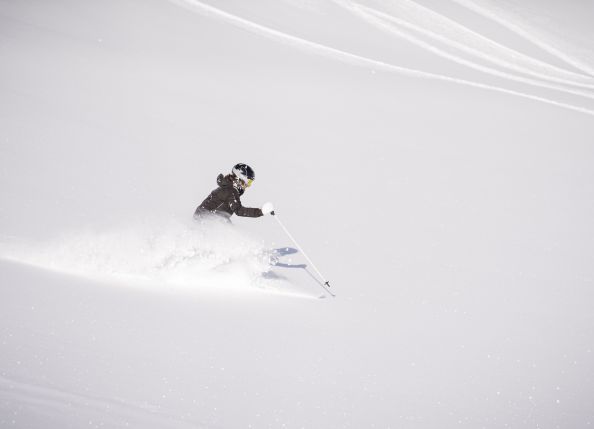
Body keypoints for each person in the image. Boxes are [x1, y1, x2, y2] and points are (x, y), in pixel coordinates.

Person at [194, 163, 275, 221]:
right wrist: (261, 211)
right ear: (240, 178)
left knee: (228, 227)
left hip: (207, 219)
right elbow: (239, 210)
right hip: (206, 221)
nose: (248, 185)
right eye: (248, 182)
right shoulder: (231, 190)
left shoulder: (228, 187)